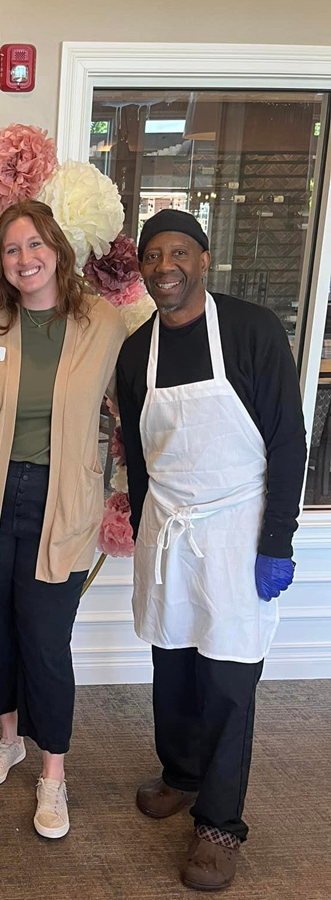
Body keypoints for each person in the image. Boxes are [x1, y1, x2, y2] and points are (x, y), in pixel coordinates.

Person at [115, 209, 306, 891]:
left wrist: (277, 539)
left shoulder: (253, 332)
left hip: (236, 529)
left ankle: (220, 824)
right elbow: (138, 454)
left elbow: (287, 441)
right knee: (175, 666)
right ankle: (182, 774)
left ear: (202, 259)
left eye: (178, 253)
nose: (164, 267)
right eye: (152, 256)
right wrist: (141, 526)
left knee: (228, 678)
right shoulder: (138, 351)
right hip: (168, 527)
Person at [0, 200, 126, 839]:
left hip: (64, 502)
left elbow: (136, 403)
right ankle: (9, 739)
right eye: (11, 249)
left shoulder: (104, 325)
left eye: (35, 245)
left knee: (46, 642)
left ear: (57, 247)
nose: (25, 259)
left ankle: (54, 773)